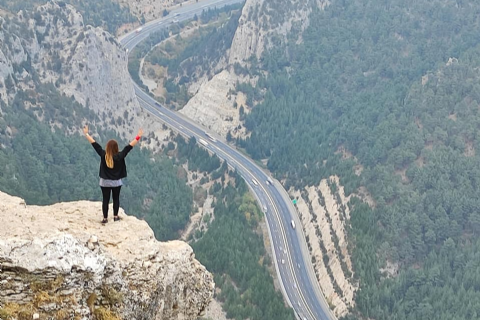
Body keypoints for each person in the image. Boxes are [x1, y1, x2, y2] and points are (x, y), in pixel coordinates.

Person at [83, 125, 143, 224]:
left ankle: (105, 219)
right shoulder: (120, 156)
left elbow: (94, 144)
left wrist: (86, 133)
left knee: (105, 200)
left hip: (104, 182)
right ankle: (115, 216)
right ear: (116, 148)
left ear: (107, 147)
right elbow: (129, 146)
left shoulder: (103, 155)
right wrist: (138, 136)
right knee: (116, 199)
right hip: (116, 182)